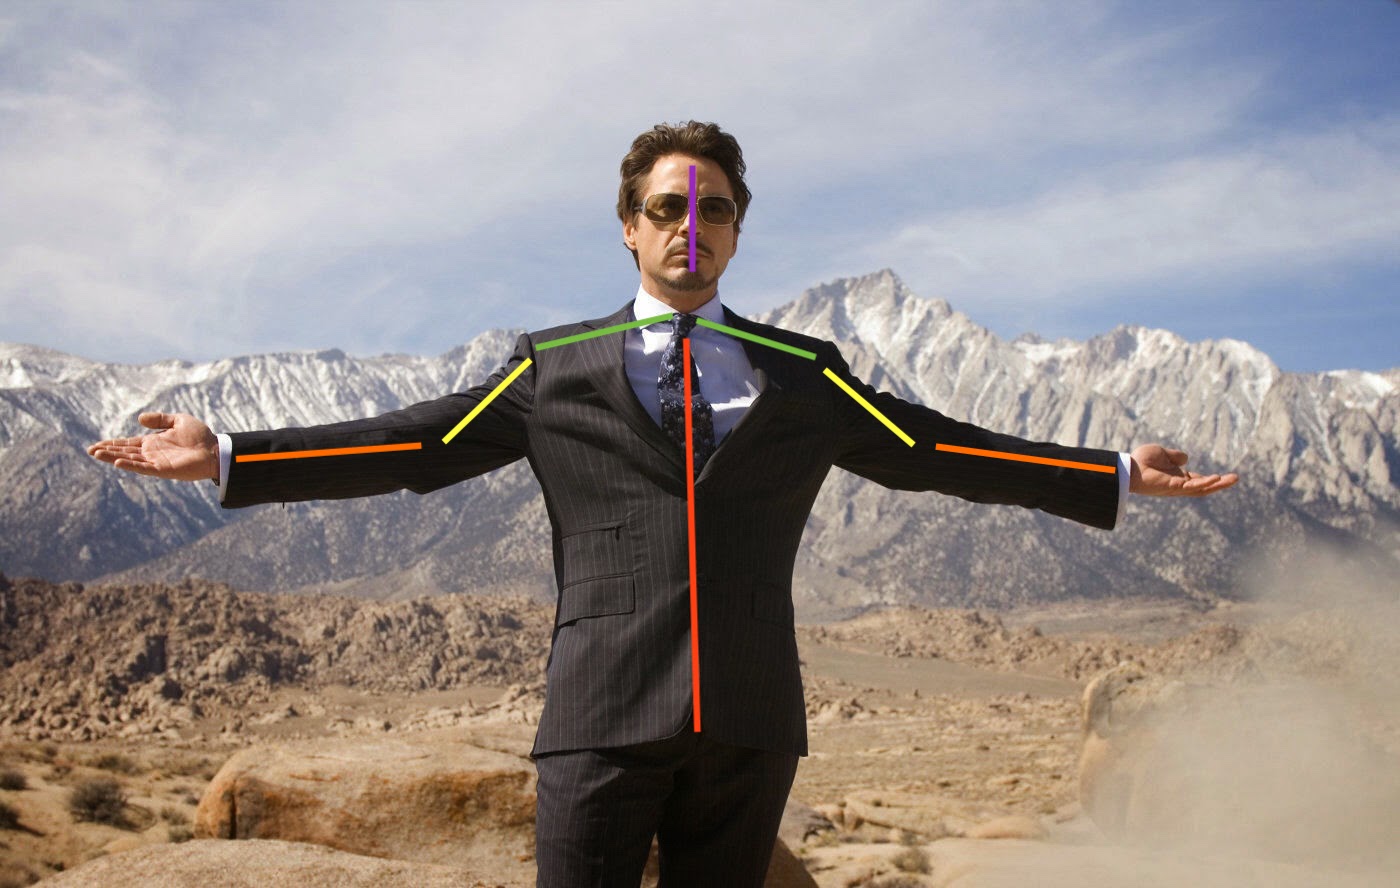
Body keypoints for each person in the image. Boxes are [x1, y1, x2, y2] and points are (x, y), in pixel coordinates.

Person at [89, 120, 1238, 887]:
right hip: (597, 715)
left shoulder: (805, 374)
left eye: (715, 210)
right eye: (668, 208)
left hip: (747, 718)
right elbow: (416, 444)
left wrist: (1111, 471)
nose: (692, 229)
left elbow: (933, 450)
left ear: (737, 229)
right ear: (630, 225)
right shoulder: (552, 366)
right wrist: (230, 453)